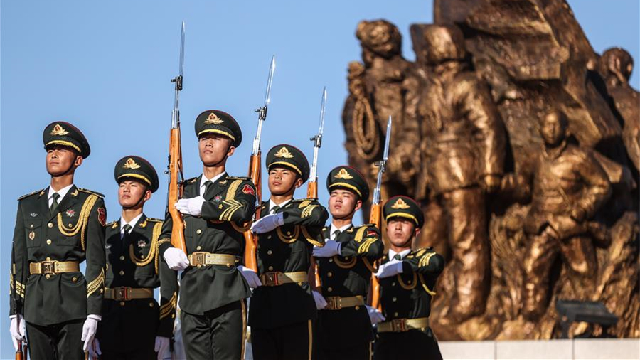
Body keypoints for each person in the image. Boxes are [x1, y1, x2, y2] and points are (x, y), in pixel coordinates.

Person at [161, 110, 258, 359]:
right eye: (204, 137)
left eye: (217, 138)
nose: (208, 143)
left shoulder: (241, 186)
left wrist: (203, 207)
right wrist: (167, 250)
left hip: (226, 289)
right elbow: (165, 232)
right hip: (192, 290)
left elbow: (243, 211)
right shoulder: (183, 188)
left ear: (231, 149)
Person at [9, 121, 107, 359]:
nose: (53, 154)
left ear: (78, 160)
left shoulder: (89, 203)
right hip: (35, 305)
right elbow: (19, 262)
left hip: (71, 304)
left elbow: (96, 262)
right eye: (50, 149)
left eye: (62, 149)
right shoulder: (28, 204)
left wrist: (93, 313)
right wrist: (15, 312)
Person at [248, 144, 329, 360]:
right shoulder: (255, 211)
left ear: (298, 182)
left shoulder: (303, 209)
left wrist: (279, 219)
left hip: (294, 304)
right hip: (262, 305)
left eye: (285, 173)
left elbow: (319, 213)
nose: (277, 177)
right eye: (273, 172)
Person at [94, 156, 177, 359]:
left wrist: (165, 329)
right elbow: (94, 280)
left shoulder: (157, 230)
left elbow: (168, 286)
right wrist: (92, 322)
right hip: (108, 319)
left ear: (147, 195)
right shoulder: (105, 232)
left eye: (133, 185)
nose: (126, 189)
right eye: (122, 184)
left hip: (143, 322)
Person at [313, 165, 384, 360]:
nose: (338, 199)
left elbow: (375, 248)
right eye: (334, 193)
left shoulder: (364, 234)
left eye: (345, 195)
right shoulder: (316, 235)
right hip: (320, 324)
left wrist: (338, 248)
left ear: (358, 205)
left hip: (352, 324)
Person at [373, 195, 445, 360]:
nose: (398, 227)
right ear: (386, 229)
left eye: (405, 222)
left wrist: (399, 267)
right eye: (393, 222)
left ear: (416, 231)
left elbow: (435, 262)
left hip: (418, 346)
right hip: (384, 346)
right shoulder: (375, 265)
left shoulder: (423, 259)